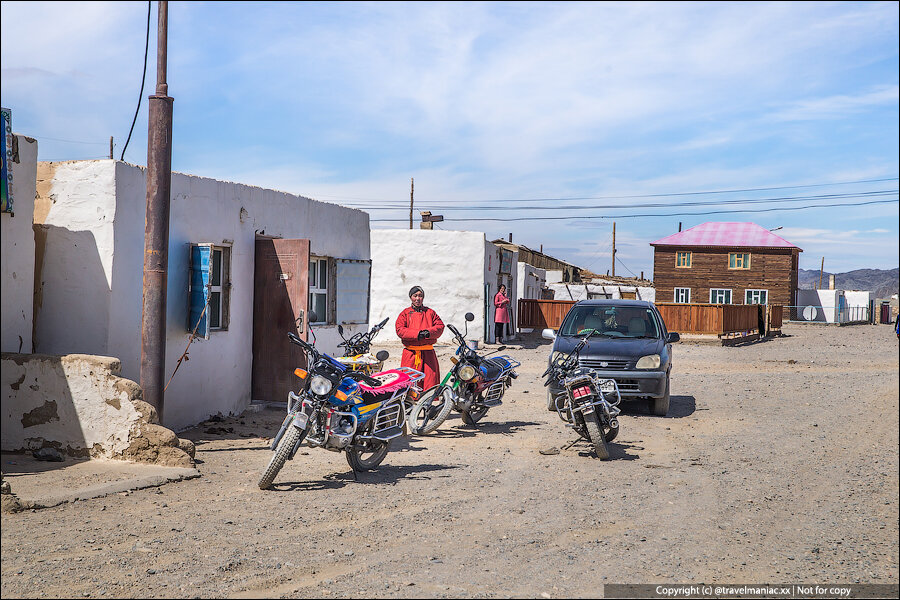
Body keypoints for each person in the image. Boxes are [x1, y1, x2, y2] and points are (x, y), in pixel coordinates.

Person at [395, 286, 445, 390]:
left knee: (430, 379)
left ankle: (428, 401)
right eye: (415, 296)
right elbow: (400, 330)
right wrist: (417, 334)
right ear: (411, 297)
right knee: (410, 380)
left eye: (420, 296)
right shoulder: (405, 313)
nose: (418, 298)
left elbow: (440, 326)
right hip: (411, 354)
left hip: (428, 354)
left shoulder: (430, 312)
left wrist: (428, 332)